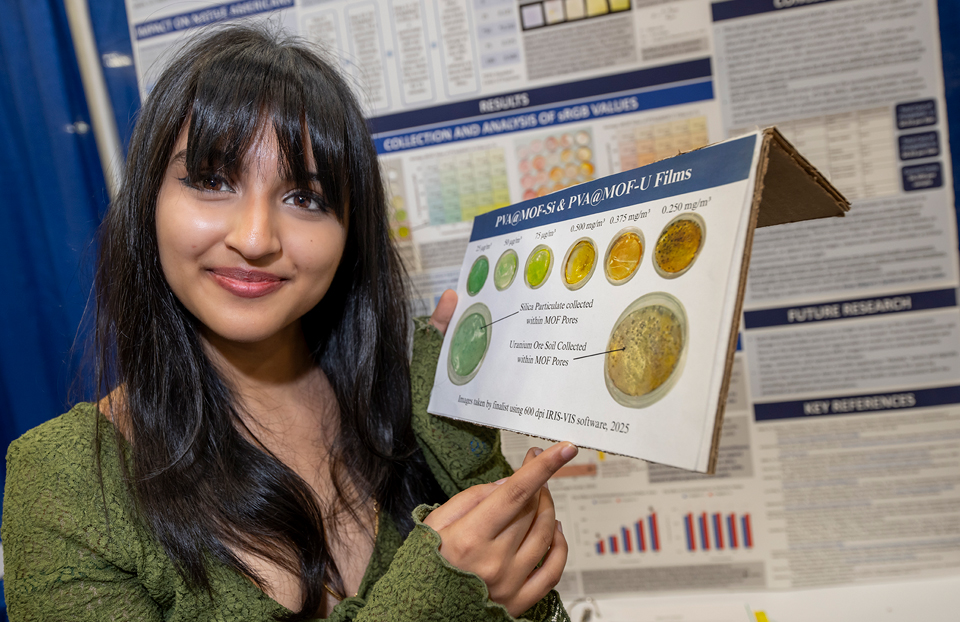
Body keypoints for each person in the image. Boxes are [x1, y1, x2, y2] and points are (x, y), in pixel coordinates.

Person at [1, 24, 575, 622]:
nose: (254, 238)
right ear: (148, 202)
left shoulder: (403, 415)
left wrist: (470, 462)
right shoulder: (66, 482)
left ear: (349, 233)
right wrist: (444, 603)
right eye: (213, 181)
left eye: (305, 196)